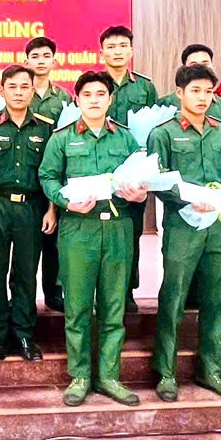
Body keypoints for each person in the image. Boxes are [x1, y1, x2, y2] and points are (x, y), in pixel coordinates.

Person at [39, 71, 144, 407]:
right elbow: (47, 176)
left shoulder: (126, 138)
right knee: (78, 306)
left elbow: (141, 176)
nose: (95, 100)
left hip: (117, 227)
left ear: (110, 99)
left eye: (101, 94)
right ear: (77, 100)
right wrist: (64, 201)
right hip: (78, 228)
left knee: (114, 306)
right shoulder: (62, 138)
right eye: (88, 94)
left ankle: (110, 376)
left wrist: (140, 193)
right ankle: (80, 375)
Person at [148, 64, 221, 404]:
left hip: (220, 225)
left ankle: (212, 370)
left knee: (218, 298)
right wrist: (188, 199)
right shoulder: (163, 133)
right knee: (174, 296)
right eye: (195, 91)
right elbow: (157, 180)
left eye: (208, 92)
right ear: (179, 93)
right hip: (183, 224)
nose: (202, 98)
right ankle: (165, 371)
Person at [0, 65, 54, 362]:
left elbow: (51, 172)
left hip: (32, 207)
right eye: (13, 87)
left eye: (24, 87)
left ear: (33, 90)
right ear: (1, 90)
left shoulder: (45, 128)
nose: (19, 92)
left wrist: (51, 210)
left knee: (25, 273)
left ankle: (23, 334)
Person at [99, 25, 159, 314]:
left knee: (132, 233)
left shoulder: (145, 87)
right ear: (101, 53)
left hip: (134, 172)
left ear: (131, 50)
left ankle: (127, 291)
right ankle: (101, 291)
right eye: (111, 47)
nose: (117, 51)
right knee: (101, 233)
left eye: (123, 46)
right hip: (101, 167)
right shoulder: (94, 84)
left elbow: (154, 130)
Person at [25, 36, 70, 312]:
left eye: (46, 56)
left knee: (54, 241)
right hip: (25, 175)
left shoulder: (64, 98)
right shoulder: (19, 91)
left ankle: (54, 291)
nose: (40, 61)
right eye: (35, 56)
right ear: (26, 61)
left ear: (55, 61)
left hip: (55, 176)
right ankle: (22, 295)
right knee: (27, 244)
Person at [159, 45, 221, 120]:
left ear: (213, 67)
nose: (200, 69)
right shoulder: (165, 104)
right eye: (194, 65)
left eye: (205, 64)